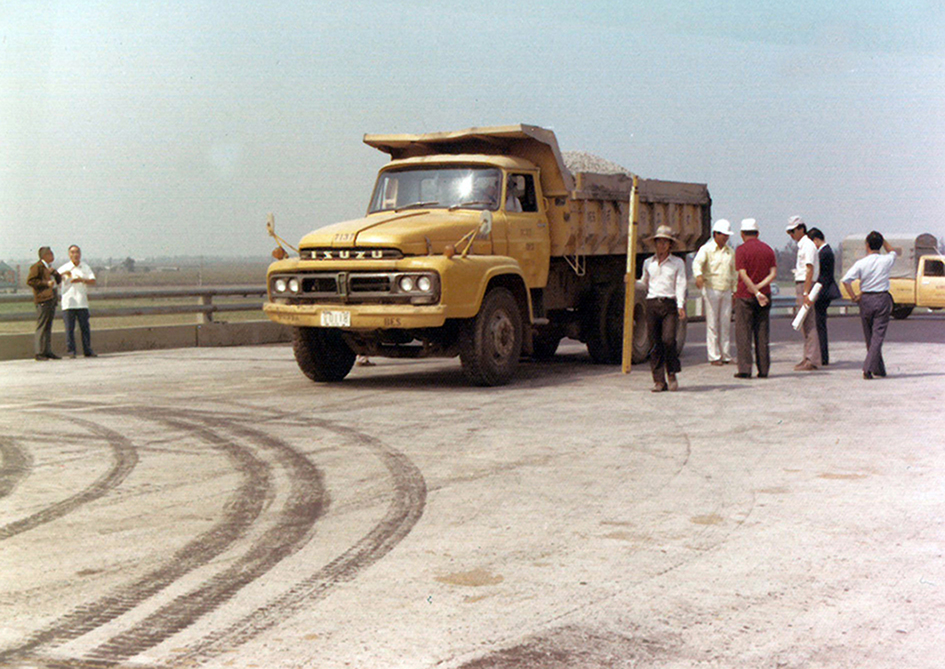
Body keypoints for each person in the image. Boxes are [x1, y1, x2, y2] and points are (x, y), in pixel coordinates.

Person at [841, 231, 897, 379]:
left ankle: (878, 368)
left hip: (865, 299)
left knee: (870, 336)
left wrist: (854, 297)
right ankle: (869, 368)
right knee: (878, 336)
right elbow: (893, 251)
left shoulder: (861, 263)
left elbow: (846, 281)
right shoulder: (886, 260)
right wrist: (883, 240)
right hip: (882, 298)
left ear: (866, 245)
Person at [641, 225, 687, 392]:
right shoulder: (648, 263)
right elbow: (643, 283)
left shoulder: (677, 263)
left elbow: (680, 284)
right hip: (652, 303)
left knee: (668, 339)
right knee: (655, 344)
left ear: (670, 245)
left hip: (669, 305)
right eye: (659, 242)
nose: (661, 245)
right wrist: (631, 282)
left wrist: (680, 305)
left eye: (665, 242)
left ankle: (672, 371)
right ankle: (659, 380)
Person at [733, 219, 777, 379]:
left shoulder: (741, 250)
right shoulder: (768, 250)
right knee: (762, 333)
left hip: (745, 296)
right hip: (765, 296)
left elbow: (742, 274)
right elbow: (773, 273)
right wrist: (760, 288)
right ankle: (763, 369)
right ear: (757, 233)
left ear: (742, 234)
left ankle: (745, 369)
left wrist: (753, 290)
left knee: (743, 334)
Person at [693, 219, 737, 365]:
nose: (725, 237)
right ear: (715, 234)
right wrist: (698, 276)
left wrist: (735, 291)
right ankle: (714, 356)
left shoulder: (730, 252)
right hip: (711, 289)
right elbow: (697, 263)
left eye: (727, 235)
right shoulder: (706, 249)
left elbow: (734, 273)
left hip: (726, 290)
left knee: (725, 324)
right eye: (723, 234)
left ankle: (725, 354)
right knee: (712, 324)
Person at [786, 215, 821, 371]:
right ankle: (807, 356)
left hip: (805, 285)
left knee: (808, 323)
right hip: (802, 284)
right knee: (804, 324)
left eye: (793, 231)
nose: (791, 235)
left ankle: (812, 359)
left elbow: (809, 269)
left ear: (801, 229)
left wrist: (806, 292)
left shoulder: (808, 245)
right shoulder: (803, 245)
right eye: (789, 232)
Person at [807, 228, 841, 365]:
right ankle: (822, 355)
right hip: (824, 291)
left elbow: (821, 275)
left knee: (819, 324)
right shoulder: (826, 251)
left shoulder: (824, 253)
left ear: (816, 240)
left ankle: (822, 356)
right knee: (820, 324)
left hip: (822, 292)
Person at [58, 244, 98, 358]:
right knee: (69, 329)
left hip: (82, 302)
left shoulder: (85, 267)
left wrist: (81, 279)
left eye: (77, 252)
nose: (75, 255)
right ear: (69, 254)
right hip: (68, 303)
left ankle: (87, 350)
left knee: (85, 328)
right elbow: (55, 279)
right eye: (72, 252)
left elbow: (92, 280)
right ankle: (71, 351)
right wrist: (63, 275)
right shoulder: (64, 268)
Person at [26, 246, 62, 361]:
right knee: (42, 326)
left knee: (48, 326)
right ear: (44, 255)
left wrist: (55, 274)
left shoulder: (49, 267)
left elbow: (59, 280)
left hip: (51, 298)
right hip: (43, 299)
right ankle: (39, 352)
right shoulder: (37, 267)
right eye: (50, 254)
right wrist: (46, 283)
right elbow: (31, 281)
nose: (52, 256)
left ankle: (47, 350)